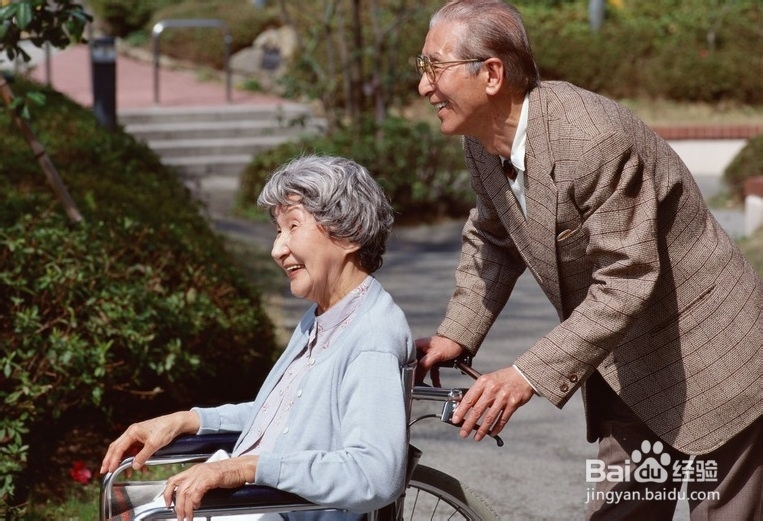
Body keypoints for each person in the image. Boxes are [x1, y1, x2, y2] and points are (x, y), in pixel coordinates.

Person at [413, 1, 761, 519]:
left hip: (713, 359)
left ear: (491, 75)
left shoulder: (592, 138)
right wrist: (457, 333)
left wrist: (526, 375)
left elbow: (626, 279)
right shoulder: (482, 139)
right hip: (625, 366)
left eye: (434, 69)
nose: (424, 88)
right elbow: (493, 236)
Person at [100, 155, 416, 520]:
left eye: (293, 227)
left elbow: (374, 474)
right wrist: (188, 420)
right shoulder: (325, 316)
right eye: (278, 231)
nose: (277, 249)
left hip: (278, 509)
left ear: (348, 232)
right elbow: (290, 419)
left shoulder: (371, 335)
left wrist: (244, 468)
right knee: (121, 504)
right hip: (257, 503)